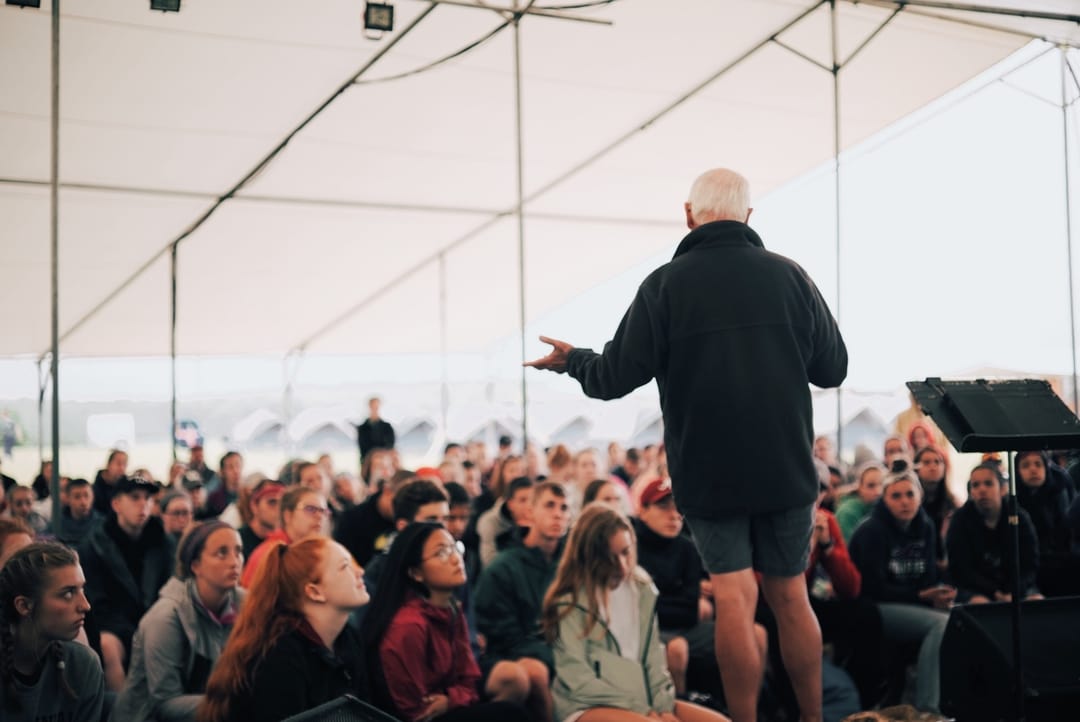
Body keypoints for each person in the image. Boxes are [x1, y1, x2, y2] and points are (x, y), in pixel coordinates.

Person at [527, 167, 846, 722]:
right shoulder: (791, 277)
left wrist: (573, 358)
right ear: (749, 216)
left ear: (689, 214)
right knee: (790, 595)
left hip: (709, 473)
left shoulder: (665, 285)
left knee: (733, 598)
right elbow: (834, 369)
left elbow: (612, 378)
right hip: (786, 469)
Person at [541, 504, 730, 722]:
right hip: (586, 705)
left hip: (642, 699)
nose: (621, 566)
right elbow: (579, 680)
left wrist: (663, 708)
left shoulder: (642, 588)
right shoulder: (569, 602)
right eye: (610, 557)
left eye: (625, 552)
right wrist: (642, 709)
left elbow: (654, 659)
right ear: (588, 556)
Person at [362, 522, 528, 722]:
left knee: (512, 701)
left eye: (455, 548)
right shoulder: (409, 625)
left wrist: (451, 700)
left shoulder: (450, 607)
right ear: (416, 573)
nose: (455, 559)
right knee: (511, 714)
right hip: (420, 718)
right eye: (441, 553)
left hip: (447, 706)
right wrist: (455, 699)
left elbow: (469, 677)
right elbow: (415, 710)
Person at [199, 536, 370, 721]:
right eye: (345, 566)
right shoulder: (278, 657)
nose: (360, 571)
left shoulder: (347, 637)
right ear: (314, 592)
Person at [112, 521, 246, 722]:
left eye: (238, 552)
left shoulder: (245, 604)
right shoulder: (166, 617)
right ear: (196, 565)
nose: (234, 561)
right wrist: (234, 703)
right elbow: (165, 704)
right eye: (222, 553)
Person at [848, 461, 952, 713]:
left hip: (912, 604)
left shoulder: (925, 526)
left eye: (909, 495)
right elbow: (872, 588)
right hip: (875, 608)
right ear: (884, 499)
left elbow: (927, 576)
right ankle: (929, 711)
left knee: (959, 619)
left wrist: (936, 594)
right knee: (941, 624)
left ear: (920, 497)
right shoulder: (871, 531)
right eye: (896, 496)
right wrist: (920, 596)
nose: (904, 502)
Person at [475, 481, 571, 722]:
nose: (557, 514)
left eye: (564, 508)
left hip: (563, 648)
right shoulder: (503, 567)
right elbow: (503, 635)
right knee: (536, 671)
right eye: (549, 506)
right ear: (529, 514)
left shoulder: (572, 564)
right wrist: (557, 656)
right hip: (513, 653)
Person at [80, 474, 176, 692]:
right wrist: (132, 631)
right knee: (108, 646)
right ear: (116, 504)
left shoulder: (163, 541)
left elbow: (171, 590)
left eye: (148, 498)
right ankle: (124, 711)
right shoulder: (95, 544)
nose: (143, 504)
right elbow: (96, 601)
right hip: (113, 625)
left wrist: (151, 624)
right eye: (135, 497)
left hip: (156, 621)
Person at [0, 542, 104, 722]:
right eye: (68, 593)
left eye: (82, 589)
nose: (86, 605)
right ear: (24, 605)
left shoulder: (83, 666)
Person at [946, 462, 1041, 604]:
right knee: (980, 604)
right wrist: (995, 593)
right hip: (976, 589)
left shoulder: (1018, 517)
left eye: (988, 483)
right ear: (971, 492)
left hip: (1016, 587)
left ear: (1003, 489)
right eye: (975, 485)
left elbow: (1030, 564)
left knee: (1036, 601)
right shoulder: (960, 520)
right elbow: (962, 569)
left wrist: (1014, 592)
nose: (982, 490)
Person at [242, 486, 329, 588]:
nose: (319, 516)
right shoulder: (271, 554)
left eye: (323, 511)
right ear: (288, 516)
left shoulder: (319, 551)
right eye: (310, 509)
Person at [835, 462, 884, 542]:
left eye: (882, 484)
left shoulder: (882, 509)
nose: (878, 491)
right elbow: (850, 550)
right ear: (860, 487)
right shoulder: (847, 513)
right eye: (871, 485)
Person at [238, 479, 284, 561]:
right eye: (272, 502)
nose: (278, 509)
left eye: (283, 503)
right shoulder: (238, 542)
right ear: (254, 506)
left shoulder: (285, 542)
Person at [56, 478, 103, 547]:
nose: (83, 502)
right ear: (68, 498)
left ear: (93, 496)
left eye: (86, 496)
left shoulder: (102, 525)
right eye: (77, 497)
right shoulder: (57, 525)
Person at [356, 396, 396, 461]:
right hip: (367, 460)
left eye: (376, 406)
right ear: (369, 407)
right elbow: (362, 447)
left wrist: (380, 454)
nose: (374, 409)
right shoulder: (362, 428)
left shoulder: (387, 427)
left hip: (383, 460)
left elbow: (390, 445)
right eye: (373, 406)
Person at [92, 449, 128, 516]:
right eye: (118, 463)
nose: (122, 468)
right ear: (108, 464)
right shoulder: (94, 489)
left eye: (124, 464)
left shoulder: (127, 486)